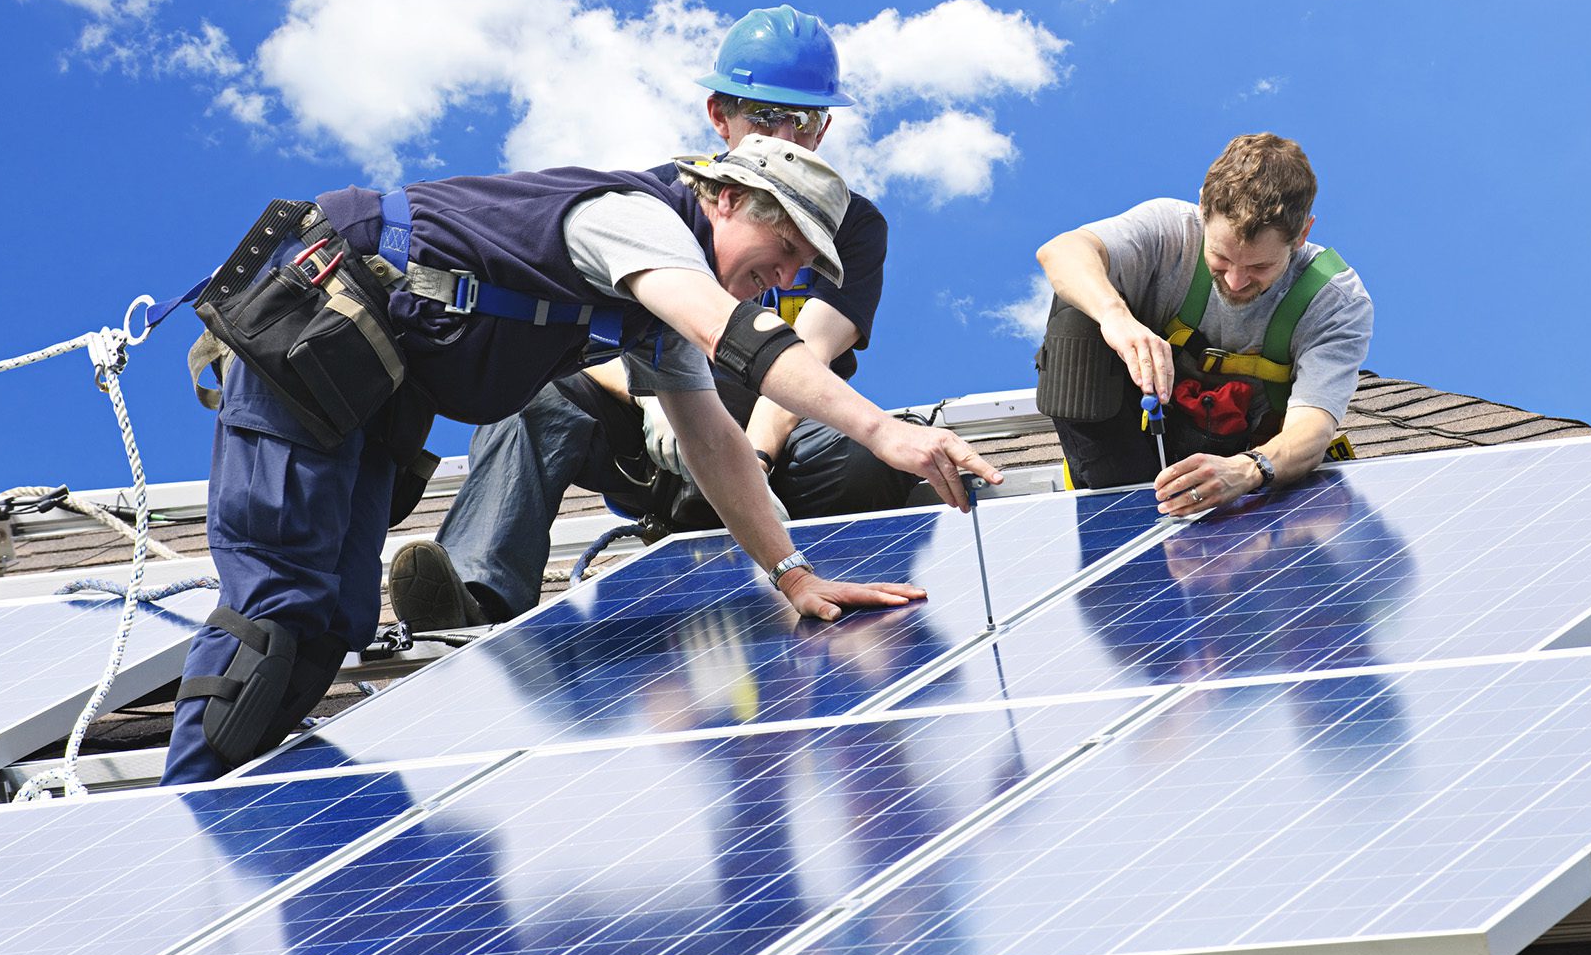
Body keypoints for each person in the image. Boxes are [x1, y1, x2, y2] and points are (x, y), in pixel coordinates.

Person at [162, 133, 1000, 785]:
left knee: (337, 621)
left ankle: (232, 823)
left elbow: (711, 438)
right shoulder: (634, 221)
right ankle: (185, 821)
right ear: (730, 197)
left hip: (369, 384)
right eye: (780, 256)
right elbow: (730, 333)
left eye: (794, 274)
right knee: (279, 610)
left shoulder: (656, 313)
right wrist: (883, 432)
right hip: (312, 326)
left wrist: (792, 574)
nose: (777, 281)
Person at [390, 3, 909, 634]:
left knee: (870, 452)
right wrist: (651, 399)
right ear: (721, 118)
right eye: (764, 116)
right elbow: (600, 331)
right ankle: (475, 599)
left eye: (800, 120)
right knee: (534, 397)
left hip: (774, 440)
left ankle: (838, 582)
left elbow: (808, 355)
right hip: (656, 438)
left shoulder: (846, 228)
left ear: (822, 129)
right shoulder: (662, 205)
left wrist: (756, 456)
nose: (783, 136)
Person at [1033, 132, 1372, 516]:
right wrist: (1116, 317)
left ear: (1303, 234)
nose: (1235, 282)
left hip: (1234, 464)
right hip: (1122, 452)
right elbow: (1061, 250)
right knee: (1077, 309)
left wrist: (1248, 469)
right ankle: (1118, 507)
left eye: (1260, 267)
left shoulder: (1333, 299)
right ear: (1202, 209)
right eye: (1221, 258)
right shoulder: (1168, 231)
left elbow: (1312, 426)